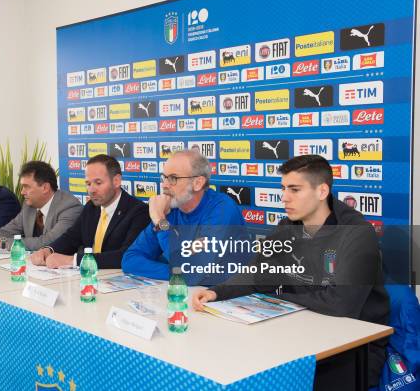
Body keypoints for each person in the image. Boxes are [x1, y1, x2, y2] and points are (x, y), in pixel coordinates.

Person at [191, 155, 389, 389]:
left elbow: (340, 305)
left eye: (295, 189)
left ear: (322, 191)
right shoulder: (287, 227)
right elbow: (257, 273)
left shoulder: (357, 233)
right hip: (300, 332)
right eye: (284, 188)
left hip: (352, 349)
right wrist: (216, 293)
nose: (284, 197)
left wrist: (276, 295)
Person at [121, 149, 244, 280]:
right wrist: (179, 272)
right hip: (186, 291)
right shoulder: (169, 208)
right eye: (164, 177)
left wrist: (159, 220)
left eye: (173, 178)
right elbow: (130, 260)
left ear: (198, 183)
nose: (164, 185)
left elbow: (195, 271)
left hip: (227, 295)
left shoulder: (222, 208)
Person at [31, 154, 150, 269]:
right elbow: (71, 237)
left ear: (116, 181)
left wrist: (73, 260)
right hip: (89, 278)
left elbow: (125, 255)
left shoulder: (138, 211)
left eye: (98, 183)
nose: (91, 190)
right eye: (88, 184)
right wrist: (48, 250)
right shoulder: (91, 207)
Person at [0, 161, 82, 251]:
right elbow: (7, 231)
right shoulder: (30, 206)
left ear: (45, 188)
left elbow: (48, 242)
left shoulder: (69, 207)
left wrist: (2, 243)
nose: (22, 192)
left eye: (26, 187)